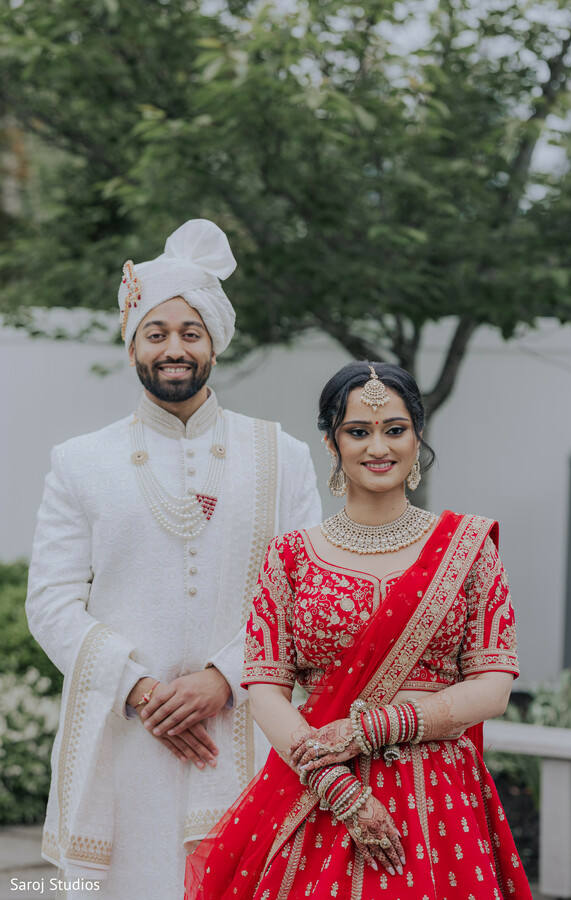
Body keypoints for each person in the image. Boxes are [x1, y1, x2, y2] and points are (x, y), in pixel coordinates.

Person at [26, 219, 322, 900]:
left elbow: (305, 594)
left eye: (190, 332)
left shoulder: (282, 456)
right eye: (155, 333)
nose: (174, 349)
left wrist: (223, 678)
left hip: (245, 725)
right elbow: (50, 602)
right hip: (121, 734)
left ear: (214, 340)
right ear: (133, 344)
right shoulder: (80, 462)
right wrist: (141, 690)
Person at [185, 360, 532, 900]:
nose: (379, 447)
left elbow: (493, 687)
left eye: (395, 430)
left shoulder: (468, 549)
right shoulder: (292, 557)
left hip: (438, 799)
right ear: (331, 444)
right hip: (321, 793)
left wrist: (367, 730)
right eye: (358, 431)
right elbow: (266, 692)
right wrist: (338, 788)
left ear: (418, 438)